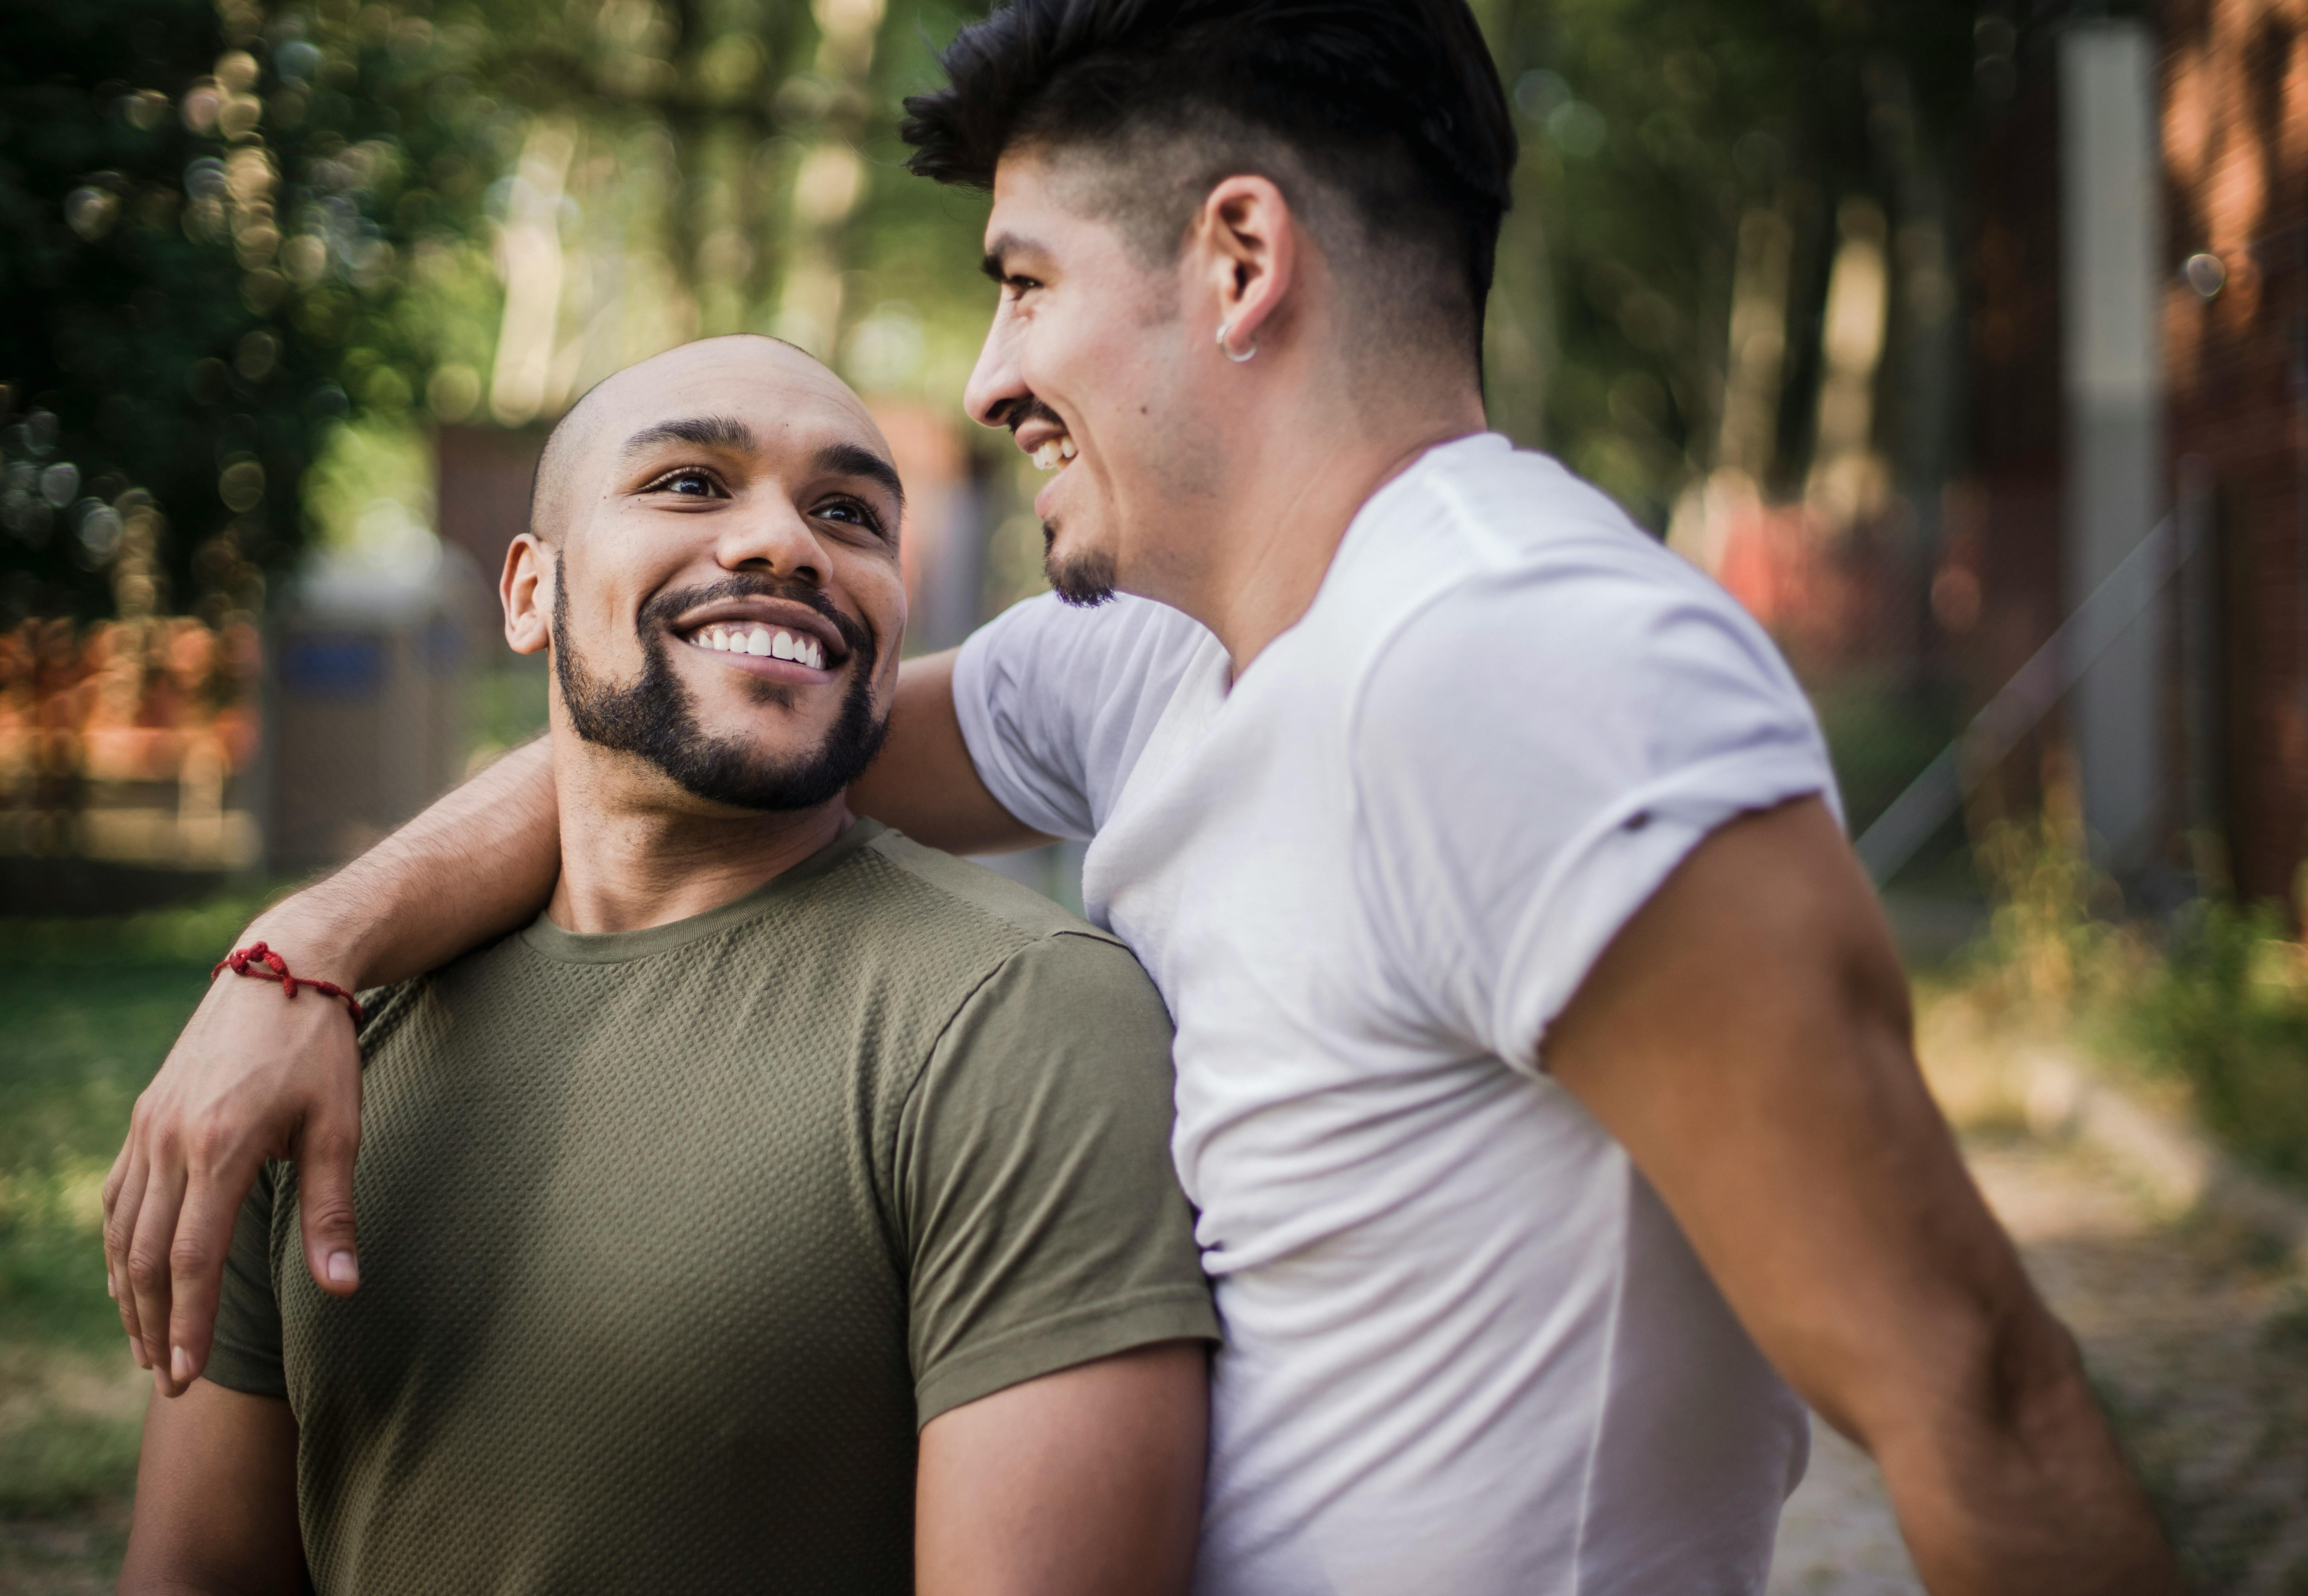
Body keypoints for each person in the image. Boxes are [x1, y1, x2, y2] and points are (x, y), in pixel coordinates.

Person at [108, 3, 2185, 1593]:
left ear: (1239, 257)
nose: (997, 375)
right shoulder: (1162, 664)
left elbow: (1977, 1392)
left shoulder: (1524, 668)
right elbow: (673, 762)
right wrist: (301, 960)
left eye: (1023, 281)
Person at [116, 336, 1218, 1596]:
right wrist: (294, 959)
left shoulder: (1018, 1019)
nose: (786, 544)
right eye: (691, 484)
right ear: (530, 593)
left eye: (850, 513)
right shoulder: (309, 1032)